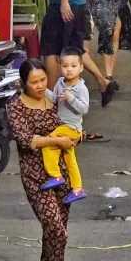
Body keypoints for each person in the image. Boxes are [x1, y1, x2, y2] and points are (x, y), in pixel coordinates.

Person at [6, 58, 76, 261]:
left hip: (63, 174)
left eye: (42, 80)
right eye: (33, 82)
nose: (39, 85)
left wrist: (74, 136)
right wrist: (56, 141)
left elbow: (73, 124)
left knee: (57, 230)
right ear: (23, 83)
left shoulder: (55, 100)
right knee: (54, 225)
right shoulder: (15, 106)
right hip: (36, 176)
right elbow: (26, 140)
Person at [40, 50, 88, 204]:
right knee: (70, 160)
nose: (69, 69)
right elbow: (54, 99)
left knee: (48, 143)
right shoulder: (60, 83)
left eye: (73, 66)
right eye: (65, 65)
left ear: (81, 67)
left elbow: (84, 109)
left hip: (72, 128)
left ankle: (55, 175)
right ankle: (77, 189)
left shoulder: (81, 88)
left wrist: (71, 98)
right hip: (62, 125)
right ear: (60, 67)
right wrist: (43, 90)